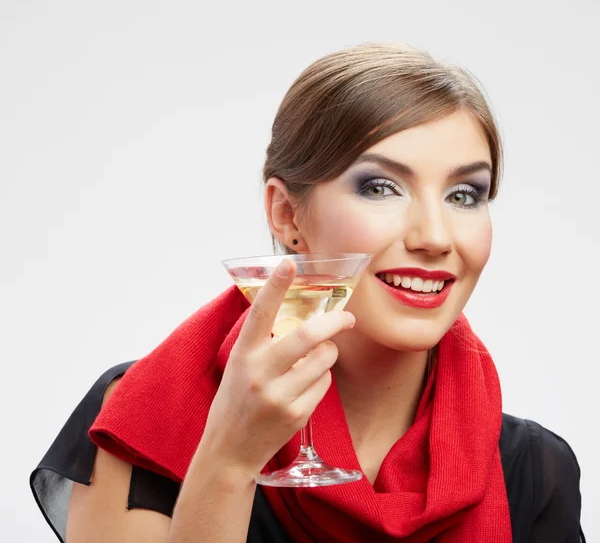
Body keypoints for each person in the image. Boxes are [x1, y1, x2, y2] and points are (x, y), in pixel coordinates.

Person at [30, 43, 585, 543]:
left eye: (466, 194)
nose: (435, 238)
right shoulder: (147, 414)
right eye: (381, 187)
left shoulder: (535, 469)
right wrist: (228, 458)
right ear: (287, 213)